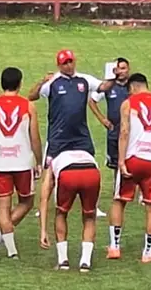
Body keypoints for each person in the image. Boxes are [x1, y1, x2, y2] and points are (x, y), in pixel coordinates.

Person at [28, 49, 109, 252]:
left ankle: (92, 204)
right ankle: (45, 209)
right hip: (58, 139)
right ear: (59, 65)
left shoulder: (84, 80)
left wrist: (115, 78)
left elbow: (103, 86)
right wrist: (40, 81)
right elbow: (31, 96)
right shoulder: (53, 82)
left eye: (71, 62)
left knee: (90, 170)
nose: (69, 66)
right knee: (50, 177)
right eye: (65, 63)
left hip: (81, 137)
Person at [108, 74, 151, 263]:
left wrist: (121, 161)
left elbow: (124, 132)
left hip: (133, 158)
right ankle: (147, 252)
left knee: (119, 200)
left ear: (132, 88)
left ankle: (114, 247)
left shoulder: (128, 103)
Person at [0, 67, 41, 259]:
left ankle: (9, 247)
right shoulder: (28, 106)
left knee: (3, 207)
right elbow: (34, 137)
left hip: (0, 162)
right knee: (27, 202)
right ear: (20, 83)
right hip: (23, 162)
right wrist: (39, 161)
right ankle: (3, 241)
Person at [40, 146, 102, 272]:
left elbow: (44, 198)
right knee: (89, 215)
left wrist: (43, 231)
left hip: (67, 173)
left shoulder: (53, 159)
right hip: (91, 171)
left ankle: (63, 260)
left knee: (61, 213)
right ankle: (85, 261)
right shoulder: (86, 151)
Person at [90, 57, 130, 217]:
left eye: (124, 68)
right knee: (115, 163)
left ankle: (138, 191)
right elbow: (92, 101)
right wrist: (103, 120)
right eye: (118, 68)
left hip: (130, 131)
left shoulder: (132, 87)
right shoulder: (108, 86)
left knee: (133, 160)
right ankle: (117, 189)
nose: (121, 71)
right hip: (114, 132)